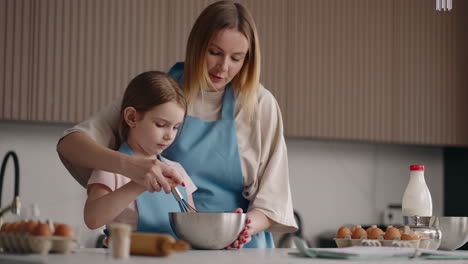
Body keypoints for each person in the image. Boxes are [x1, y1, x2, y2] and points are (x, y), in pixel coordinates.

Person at [57, 0, 297, 249]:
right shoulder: (161, 95)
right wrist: (132, 168)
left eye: (236, 58)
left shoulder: (260, 104)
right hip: (172, 247)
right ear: (196, 46)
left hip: (239, 247)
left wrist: (243, 227)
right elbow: (70, 145)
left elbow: (273, 202)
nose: (223, 68)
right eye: (214, 52)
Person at [83, 71, 196, 238]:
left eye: (175, 127)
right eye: (160, 124)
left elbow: (193, 226)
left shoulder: (176, 170)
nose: (169, 135)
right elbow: (92, 219)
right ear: (132, 117)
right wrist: (140, 183)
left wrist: (227, 233)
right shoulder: (111, 169)